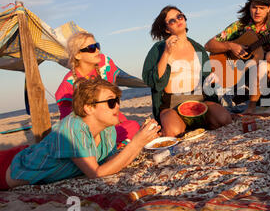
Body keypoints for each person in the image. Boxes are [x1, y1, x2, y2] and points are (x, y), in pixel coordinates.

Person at [1, 78, 160, 190]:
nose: (117, 106)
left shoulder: (107, 128)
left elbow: (108, 162)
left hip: (25, 154)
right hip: (8, 168)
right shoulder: (73, 128)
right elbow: (96, 174)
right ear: (88, 107)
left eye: (118, 100)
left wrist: (141, 140)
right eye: (111, 102)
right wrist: (136, 143)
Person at [142, 5, 232, 137]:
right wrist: (166, 54)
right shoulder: (158, 49)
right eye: (172, 20)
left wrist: (212, 83)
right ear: (167, 29)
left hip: (200, 100)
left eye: (179, 16)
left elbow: (208, 81)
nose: (178, 20)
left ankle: (199, 122)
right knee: (174, 132)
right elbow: (154, 81)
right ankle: (179, 124)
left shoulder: (199, 49)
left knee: (224, 119)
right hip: (172, 104)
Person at [204, 0, 270, 114]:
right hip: (243, 80)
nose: (257, 11)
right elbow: (208, 45)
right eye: (254, 7)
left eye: (262, 8)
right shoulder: (240, 26)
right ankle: (251, 107)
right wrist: (230, 46)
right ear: (249, 6)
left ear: (269, 8)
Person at [55, 32, 140, 145]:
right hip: (90, 129)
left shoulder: (105, 64)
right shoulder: (68, 85)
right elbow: (68, 122)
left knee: (132, 126)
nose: (97, 50)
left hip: (112, 119)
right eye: (91, 48)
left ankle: (113, 142)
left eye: (97, 46)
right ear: (77, 55)